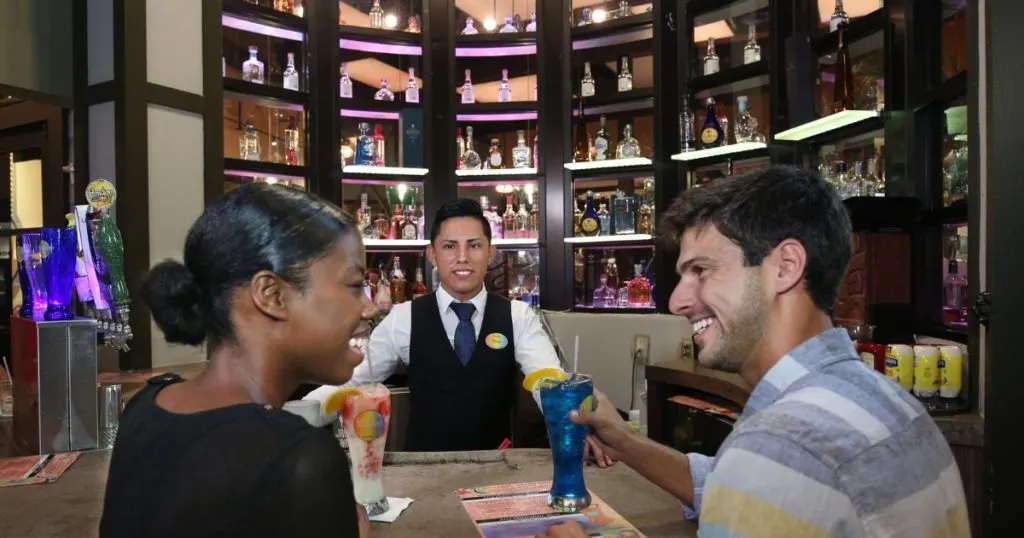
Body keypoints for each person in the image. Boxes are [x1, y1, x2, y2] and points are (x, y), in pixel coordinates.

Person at [543, 166, 970, 537]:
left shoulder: (779, 446)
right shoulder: (884, 399)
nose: (677, 301)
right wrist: (622, 439)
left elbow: (762, 471)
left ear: (785, 267)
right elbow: (737, 484)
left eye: (701, 270)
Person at [100, 184, 373, 538]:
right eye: (354, 285)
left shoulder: (143, 408)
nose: (369, 306)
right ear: (271, 295)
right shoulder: (298, 460)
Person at [307, 198, 610, 462]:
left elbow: (547, 381)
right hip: (422, 471)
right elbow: (350, 381)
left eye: (474, 245)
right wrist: (289, 418)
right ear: (432, 254)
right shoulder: (404, 317)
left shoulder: (518, 316)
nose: (462, 258)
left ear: (491, 253)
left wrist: (571, 430)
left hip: (497, 466)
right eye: (450, 246)